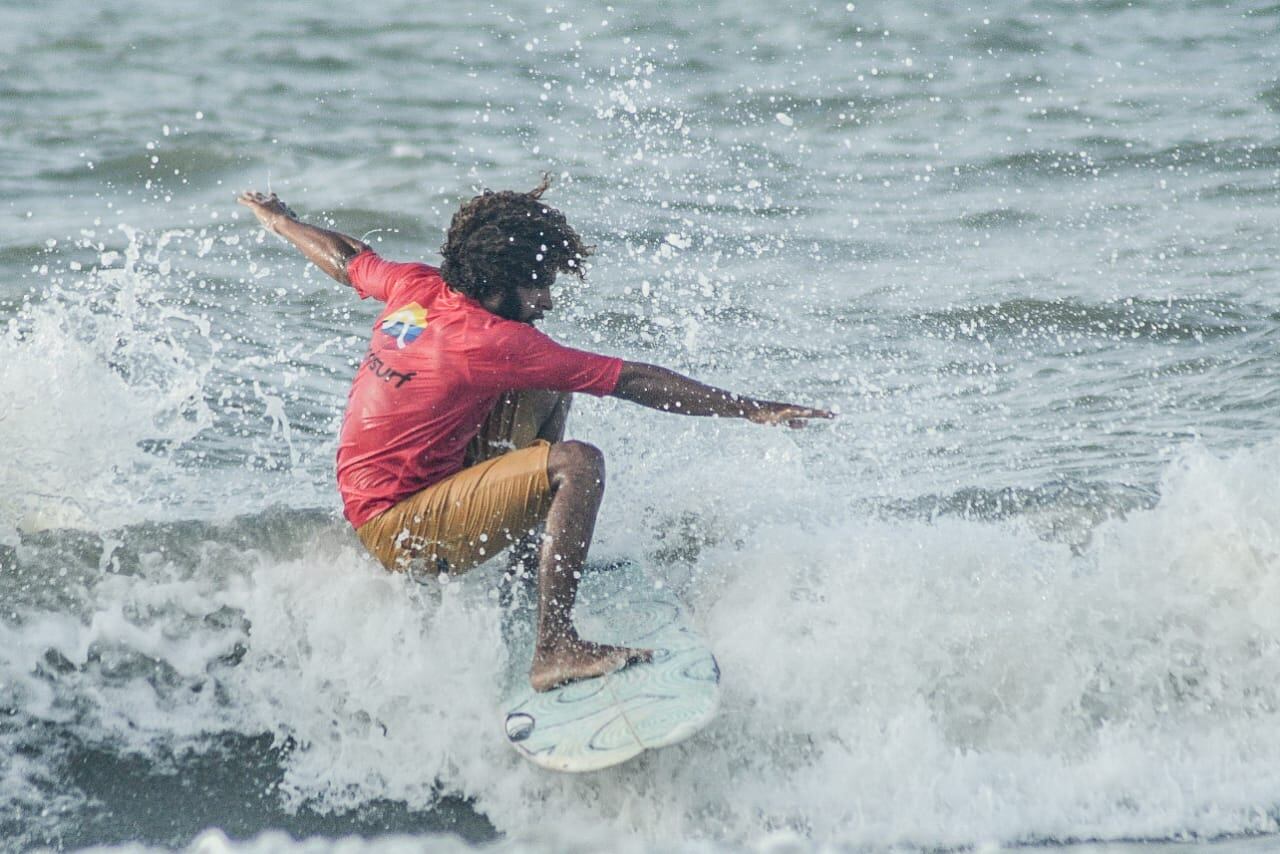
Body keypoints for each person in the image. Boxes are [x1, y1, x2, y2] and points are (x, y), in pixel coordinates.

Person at [237, 177, 832, 692]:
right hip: (404, 531)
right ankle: (555, 648)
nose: (546, 300)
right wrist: (751, 410)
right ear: (501, 282)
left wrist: (281, 221)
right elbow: (633, 380)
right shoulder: (492, 341)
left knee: (548, 379)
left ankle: (529, 568)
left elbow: (346, 258)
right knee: (577, 463)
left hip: (383, 497)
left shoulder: (417, 289)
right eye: (540, 284)